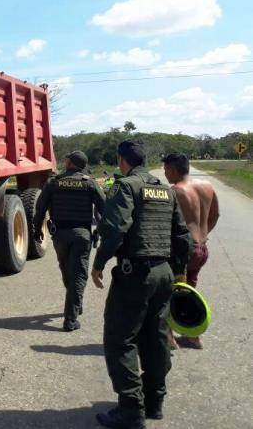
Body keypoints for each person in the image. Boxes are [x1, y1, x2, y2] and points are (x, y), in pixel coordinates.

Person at [91, 140, 192, 429]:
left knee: (121, 339)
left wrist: (99, 264)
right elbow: (182, 235)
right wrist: (179, 272)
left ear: (122, 160)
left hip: (135, 274)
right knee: (156, 337)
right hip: (164, 273)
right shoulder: (165, 190)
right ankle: (154, 402)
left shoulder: (126, 186)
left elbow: (114, 229)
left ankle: (131, 411)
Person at [33, 150, 105, 331]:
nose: (64, 161)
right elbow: (106, 210)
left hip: (59, 235)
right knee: (78, 275)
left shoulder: (53, 182)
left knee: (67, 272)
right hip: (82, 235)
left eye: (66, 159)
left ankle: (73, 310)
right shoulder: (90, 183)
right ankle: (71, 317)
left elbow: (40, 208)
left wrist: (36, 230)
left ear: (71, 163)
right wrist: (101, 231)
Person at [162, 152, 219, 349]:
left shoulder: (175, 191)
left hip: (182, 251)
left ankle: (169, 337)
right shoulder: (207, 187)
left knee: (169, 291)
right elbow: (215, 215)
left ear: (172, 169)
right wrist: (201, 237)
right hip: (202, 249)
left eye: (165, 170)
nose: (165, 174)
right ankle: (193, 336)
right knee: (189, 293)